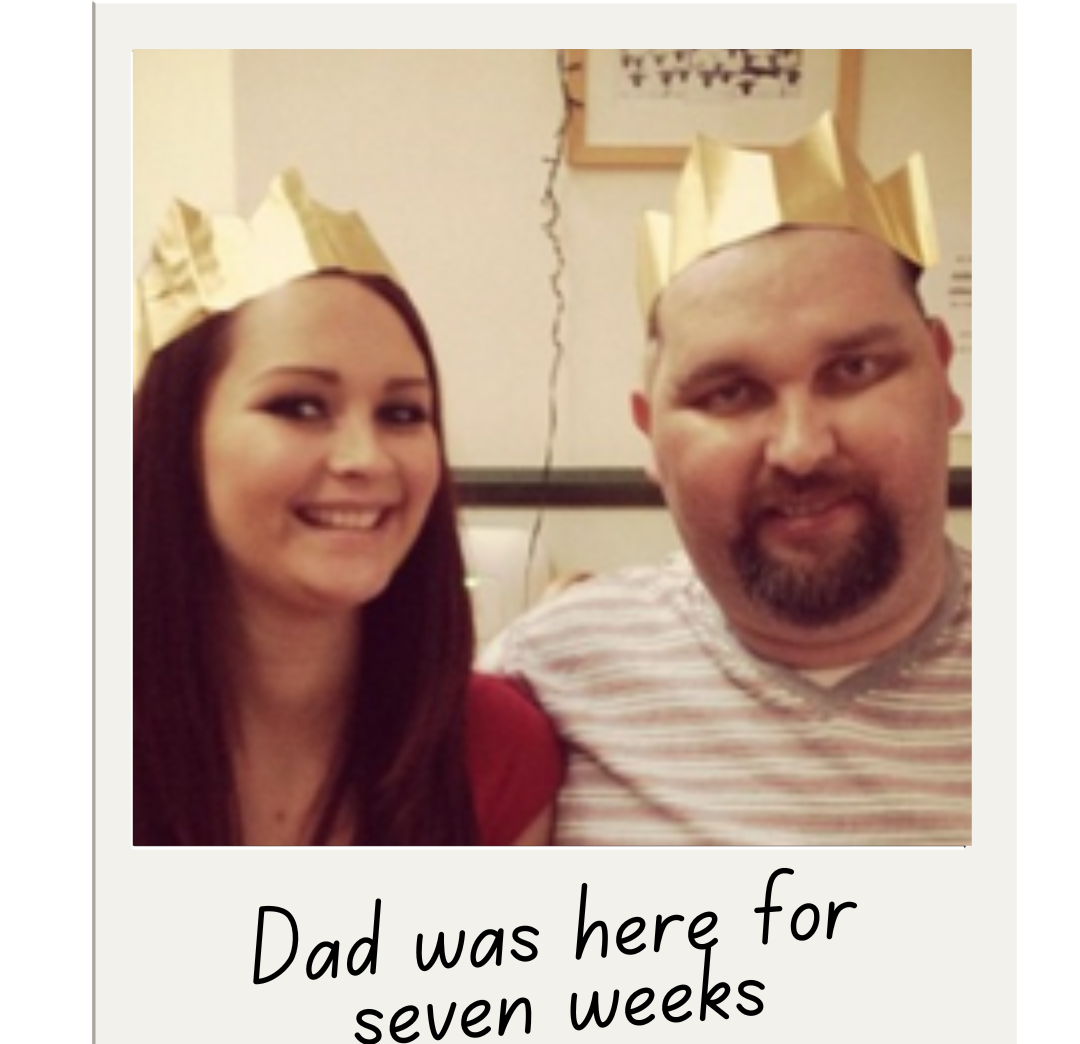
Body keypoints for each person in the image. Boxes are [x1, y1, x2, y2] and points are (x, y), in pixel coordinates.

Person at [490, 114, 970, 846]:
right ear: (650, 432)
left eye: (854, 370)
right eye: (729, 392)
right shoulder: (545, 674)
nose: (801, 449)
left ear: (942, 374)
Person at [133, 170, 562, 845]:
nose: (366, 457)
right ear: (174, 438)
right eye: (299, 406)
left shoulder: (493, 747)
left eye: (402, 412)